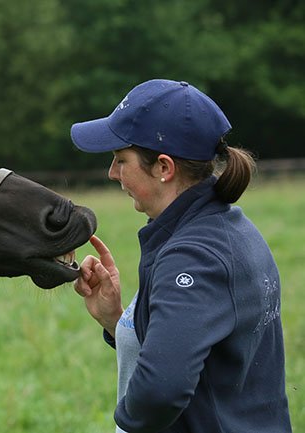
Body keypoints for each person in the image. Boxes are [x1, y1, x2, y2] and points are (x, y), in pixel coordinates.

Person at [70, 79, 292, 433]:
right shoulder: (229, 229)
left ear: (164, 168)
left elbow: (160, 391)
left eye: (121, 160)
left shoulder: (193, 257)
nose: (112, 173)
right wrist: (116, 322)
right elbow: (204, 357)